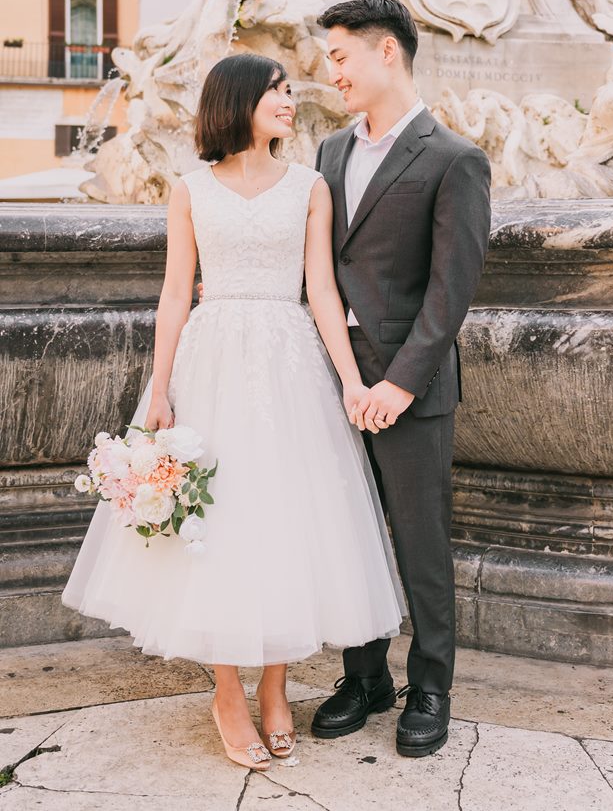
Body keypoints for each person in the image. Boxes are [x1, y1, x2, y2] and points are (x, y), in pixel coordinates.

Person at [62, 53, 405, 773]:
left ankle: (276, 684)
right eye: (277, 90)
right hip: (210, 359)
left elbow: (320, 292)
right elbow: (173, 293)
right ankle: (226, 690)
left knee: (284, 517)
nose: (290, 99)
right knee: (214, 523)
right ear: (239, 100)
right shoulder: (189, 190)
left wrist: (348, 380)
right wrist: (157, 388)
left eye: (287, 90)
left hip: (289, 362)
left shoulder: (311, 187)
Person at [311, 0, 492, 758]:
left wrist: (400, 383)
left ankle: (431, 683)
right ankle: (365, 677)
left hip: (409, 391)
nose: (332, 71)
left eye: (342, 55)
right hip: (332, 380)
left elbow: (452, 290)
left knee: (420, 543)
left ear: (388, 52)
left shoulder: (455, 158)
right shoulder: (326, 152)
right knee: (350, 539)